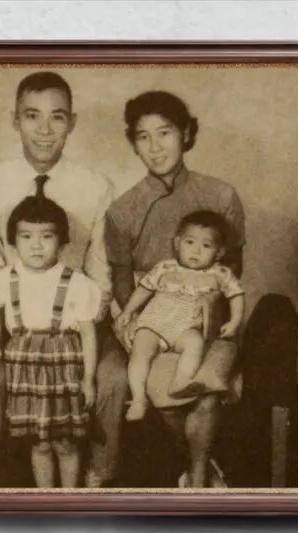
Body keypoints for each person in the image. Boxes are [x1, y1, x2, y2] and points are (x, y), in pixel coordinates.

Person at [0, 71, 129, 488]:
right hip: (18, 326)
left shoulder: (96, 187)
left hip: (80, 319)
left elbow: (100, 269)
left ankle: (97, 476)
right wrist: (12, 326)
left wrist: (79, 324)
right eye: (31, 115)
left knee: (113, 377)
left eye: (57, 117)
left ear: (71, 122)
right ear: (14, 120)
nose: (44, 130)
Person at [105, 90, 246, 488]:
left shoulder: (221, 195)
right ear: (133, 144)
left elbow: (233, 269)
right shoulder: (122, 210)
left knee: (206, 391)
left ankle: (198, 478)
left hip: (208, 321)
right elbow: (122, 278)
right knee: (165, 394)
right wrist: (137, 323)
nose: (155, 147)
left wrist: (212, 318)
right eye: (143, 136)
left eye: (164, 133)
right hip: (154, 322)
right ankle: (201, 465)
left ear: (185, 133)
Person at [0, 195, 101, 488]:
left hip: (64, 368)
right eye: (26, 236)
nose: (36, 245)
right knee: (39, 443)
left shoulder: (77, 283)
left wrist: (88, 379)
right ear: (13, 242)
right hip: (25, 369)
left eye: (47, 236)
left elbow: (88, 335)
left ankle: (68, 499)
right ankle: (46, 498)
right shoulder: (5, 279)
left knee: (65, 443)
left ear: (62, 242)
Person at [116, 211, 245, 421]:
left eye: (206, 246)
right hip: (154, 323)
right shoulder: (165, 267)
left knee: (195, 343)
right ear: (177, 243)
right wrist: (128, 311)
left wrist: (235, 321)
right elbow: (144, 289)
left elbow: (236, 296)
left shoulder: (221, 274)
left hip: (186, 327)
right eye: (189, 242)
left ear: (219, 252)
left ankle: (181, 381)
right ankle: (139, 399)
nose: (196, 251)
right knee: (140, 351)